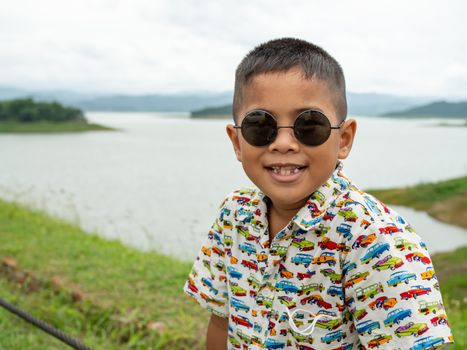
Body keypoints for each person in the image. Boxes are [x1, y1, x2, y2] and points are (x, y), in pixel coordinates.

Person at [183, 37, 454, 349]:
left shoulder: (375, 239)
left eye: (309, 125)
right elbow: (221, 320)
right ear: (236, 142)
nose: (283, 143)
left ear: (344, 139)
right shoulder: (233, 216)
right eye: (261, 125)